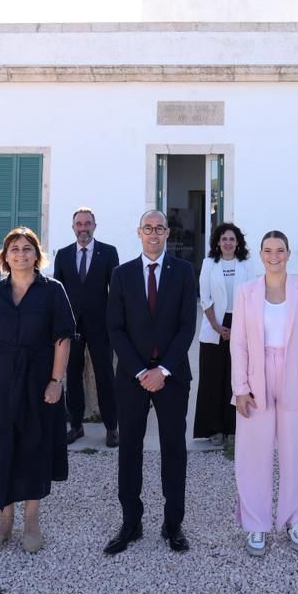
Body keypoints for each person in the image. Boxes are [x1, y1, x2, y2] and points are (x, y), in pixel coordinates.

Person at [0, 227, 74, 554]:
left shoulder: (53, 291)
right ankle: (4, 520)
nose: (21, 254)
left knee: (34, 448)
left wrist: (56, 381)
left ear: (36, 255)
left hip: (38, 384)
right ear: (5, 256)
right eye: (15, 249)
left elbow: (62, 339)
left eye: (27, 248)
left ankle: (32, 521)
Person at [102, 209, 199, 555]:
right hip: (133, 378)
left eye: (159, 228)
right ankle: (131, 523)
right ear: (139, 232)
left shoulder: (184, 272)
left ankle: (173, 524)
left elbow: (187, 325)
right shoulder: (122, 274)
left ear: (168, 233)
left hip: (172, 376)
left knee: (174, 450)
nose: (154, 233)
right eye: (148, 228)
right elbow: (115, 328)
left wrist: (164, 370)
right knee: (130, 449)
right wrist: (141, 371)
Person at [231, 230, 298, 555]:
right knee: (253, 455)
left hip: (296, 378)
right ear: (260, 254)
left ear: (288, 253)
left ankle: (295, 520)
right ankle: (256, 524)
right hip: (256, 380)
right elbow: (238, 343)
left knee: (296, 452)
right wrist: (240, 389)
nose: (274, 256)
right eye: (268, 250)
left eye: (280, 250)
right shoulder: (245, 292)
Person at [52, 208, 121, 446]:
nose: (83, 228)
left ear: (94, 226)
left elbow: (115, 292)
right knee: (72, 376)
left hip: (100, 326)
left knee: (105, 376)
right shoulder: (63, 255)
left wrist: (114, 322)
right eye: (79, 224)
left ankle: (111, 427)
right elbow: (58, 293)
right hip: (71, 327)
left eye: (87, 223)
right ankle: (76, 425)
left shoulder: (109, 252)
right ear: (73, 227)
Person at [195, 222, 259, 447]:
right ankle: (215, 429)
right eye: (224, 239)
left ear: (238, 242)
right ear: (218, 243)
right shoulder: (208, 264)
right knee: (213, 379)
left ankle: (234, 428)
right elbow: (204, 297)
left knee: (237, 379)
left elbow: (253, 297)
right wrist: (216, 325)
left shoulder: (247, 265)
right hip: (214, 326)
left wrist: (239, 328)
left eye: (232, 239)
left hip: (241, 325)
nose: (228, 243)